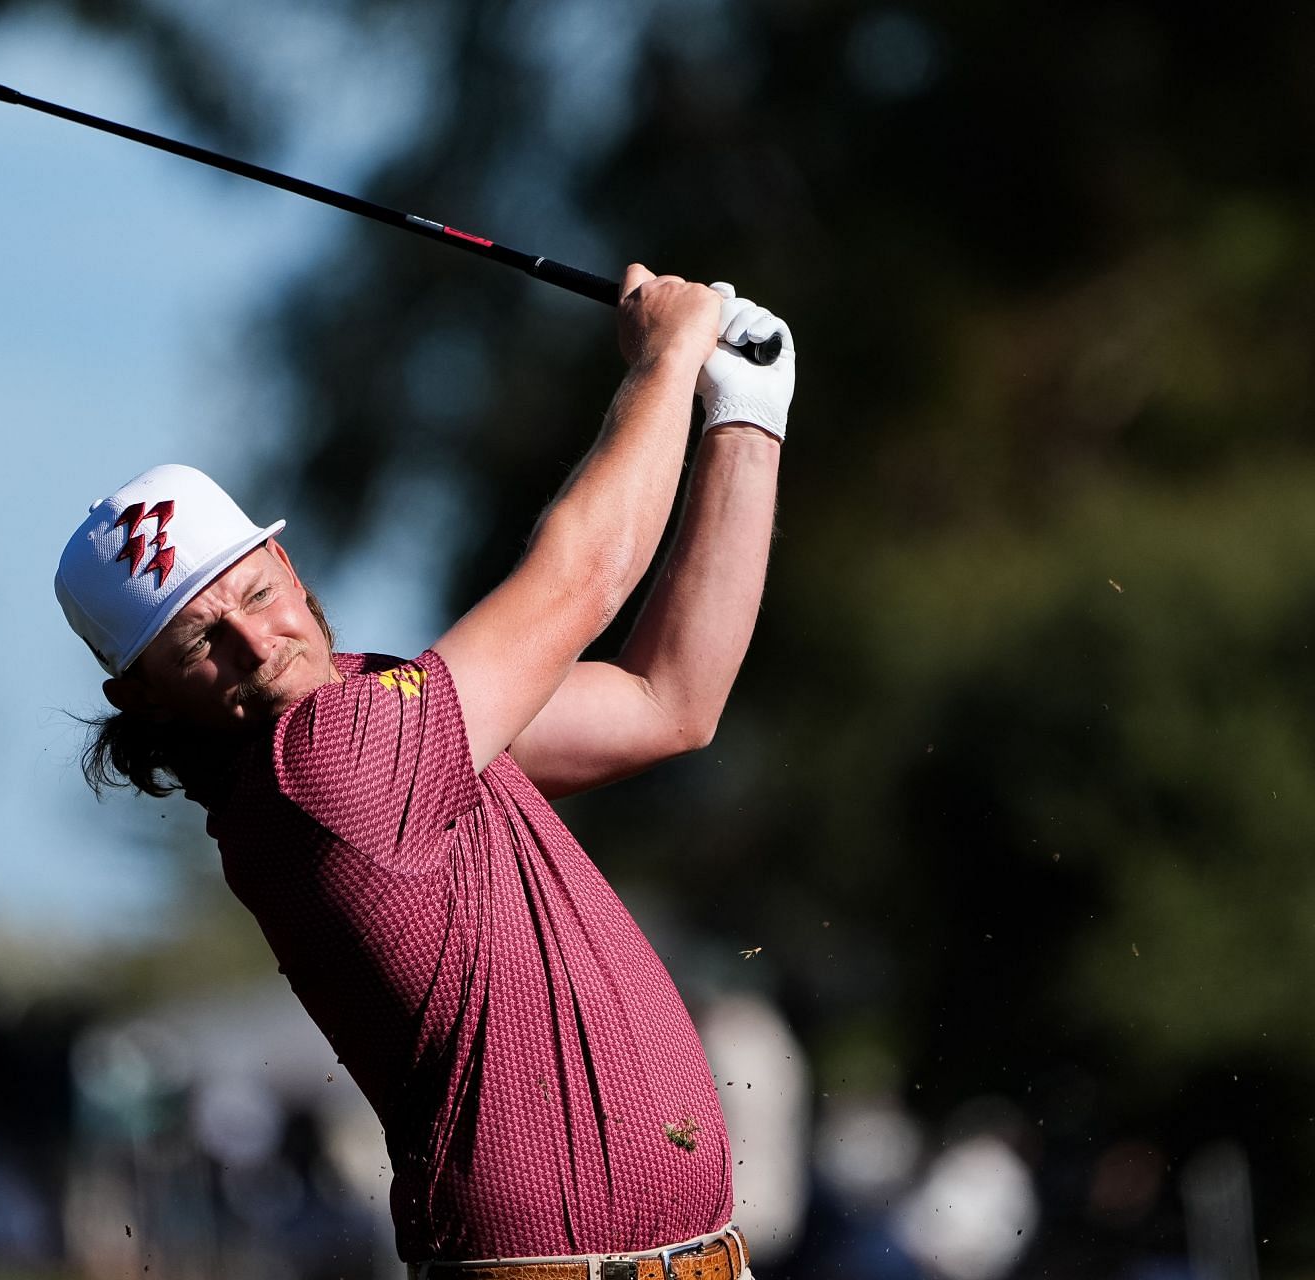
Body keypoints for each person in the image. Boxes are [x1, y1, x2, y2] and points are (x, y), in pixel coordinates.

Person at [53, 266, 793, 1275]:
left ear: (295, 571)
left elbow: (668, 699)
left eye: (259, 594)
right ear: (143, 698)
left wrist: (746, 415)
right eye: (198, 644)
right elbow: (580, 576)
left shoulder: (395, 721)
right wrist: (667, 355)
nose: (256, 642)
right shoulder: (324, 769)